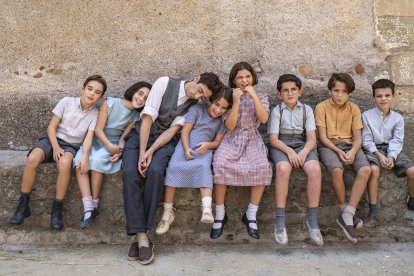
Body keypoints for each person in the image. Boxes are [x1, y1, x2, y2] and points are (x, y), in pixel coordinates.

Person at [123, 73, 223, 265]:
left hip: (165, 142)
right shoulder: (164, 83)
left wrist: (152, 151)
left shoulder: (194, 105)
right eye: (199, 91)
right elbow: (147, 119)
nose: (197, 97)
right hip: (140, 136)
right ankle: (143, 237)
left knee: (155, 172)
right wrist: (143, 151)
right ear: (196, 78)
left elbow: (172, 130)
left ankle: (140, 237)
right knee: (129, 172)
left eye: (203, 97)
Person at [9, 75, 106, 230]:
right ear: (83, 88)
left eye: (97, 92)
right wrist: (55, 147)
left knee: (65, 163)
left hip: (71, 146)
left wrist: (85, 156)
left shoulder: (95, 114)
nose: (92, 93)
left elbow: (88, 139)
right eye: (89, 89)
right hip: (52, 139)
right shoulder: (66, 101)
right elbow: (51, 127)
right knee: (33, 158)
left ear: (100, 97)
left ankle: (57, 210)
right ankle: (23, 205)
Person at [73, 81, 152, 229]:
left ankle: (94, 205)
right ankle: (88, 205)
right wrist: (108, 145)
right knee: (79, 161)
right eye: (140, 94)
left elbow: (124, 136)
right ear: (133, 91)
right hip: (98, 139)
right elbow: (98, 129)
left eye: (147, 98)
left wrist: (119, 150)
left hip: (113, 143)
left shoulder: (136, 116)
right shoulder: (110, 103)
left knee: (97, 162)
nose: (141, 99)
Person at [156, 88, 233, 235]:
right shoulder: (197, 109)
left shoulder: (222, 121)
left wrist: (207, 145)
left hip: (204, 149)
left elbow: (217, 142)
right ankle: (167, 212)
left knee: (204, 167)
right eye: (217, 105)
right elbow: (185, 131)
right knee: (173, 167)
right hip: (186, 145)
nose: (218, 110)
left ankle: (206, 209)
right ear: (211, 101)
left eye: (224, 108)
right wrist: (185, 149)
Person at [211, 62, 272, 240]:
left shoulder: (261, 96)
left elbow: (263, 118)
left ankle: (251, 214)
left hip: (252, 138)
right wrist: (236, 102)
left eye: (247, 76)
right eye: (240, 77)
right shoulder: (228, 98)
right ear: (234, 80)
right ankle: (220, 214)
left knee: (262, 166)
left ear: (253, 78)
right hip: (232, 138)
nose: (244, 80)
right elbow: (229, 127)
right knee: (220, 163)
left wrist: (253, 97)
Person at [315, 73, 371, 243]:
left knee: (366, 169)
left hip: (350, 145)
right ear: (330, 90)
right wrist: (338, 152)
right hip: (329, 146)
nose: (339, 95)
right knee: (337, 169)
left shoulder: (354, 108)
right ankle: (342, 208)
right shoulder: (321, 107)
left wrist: (353, 151)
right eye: (336, 90)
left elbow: (358, 137)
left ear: (349, 93)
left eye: (344, 91)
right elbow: (322, 137)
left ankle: (348, 213)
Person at [268, 74, 323, 246]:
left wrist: (305, 151)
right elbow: (273, 139)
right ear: (279, 94)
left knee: (315, 170)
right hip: (282, 145)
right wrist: (290, 152)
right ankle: (279, 222)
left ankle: (312, 222)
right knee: (283, 169)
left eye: (293, 90)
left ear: (300, 92)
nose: (290, 93)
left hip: (302, 144)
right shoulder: (277, 111)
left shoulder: (307, 110)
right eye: (285, 90)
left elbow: (312, 138)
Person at [362, 79, 414, 227]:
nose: (383, 99)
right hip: (374, 150)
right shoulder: (366, 116)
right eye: (379, 96)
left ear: (393, 96)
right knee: (373, 170)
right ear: (373, 98)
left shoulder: (398, 118)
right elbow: (366, 140)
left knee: (413, 171)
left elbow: (397, 141)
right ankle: (373, 213)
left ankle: (412, 201)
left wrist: (391, 156)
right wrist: (380, 156)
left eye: (387, 95)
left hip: (392, 149)